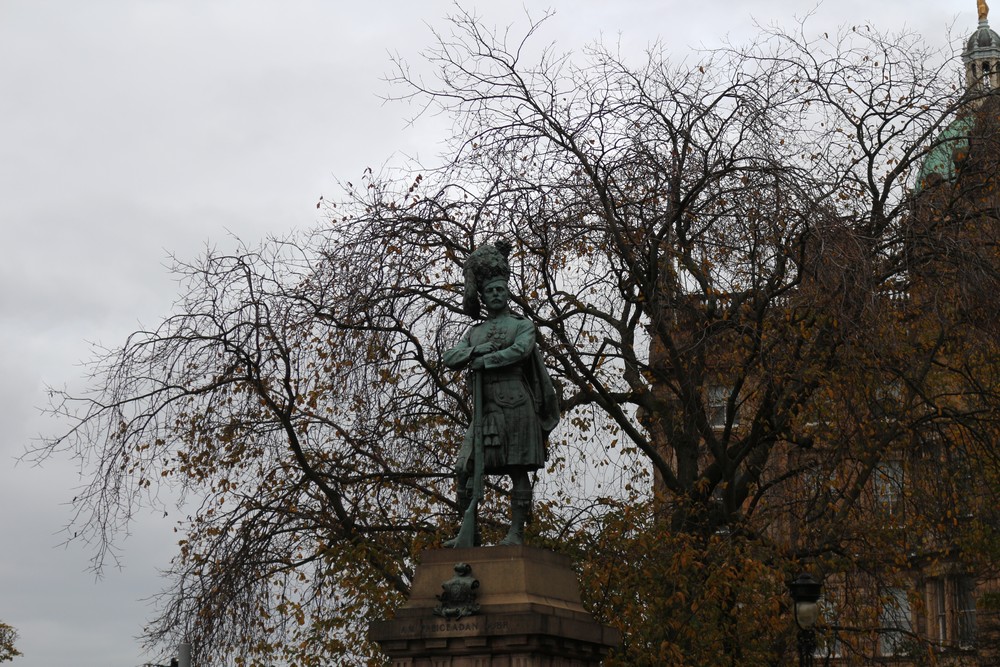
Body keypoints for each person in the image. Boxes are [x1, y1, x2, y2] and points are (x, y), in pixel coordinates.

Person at [442, 241, 558, 546]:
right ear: (483, 295)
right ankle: (470, 534)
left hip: (518, 404)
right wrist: (475, 351)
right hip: (487, 409)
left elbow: (520, 352)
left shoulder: (522, 325)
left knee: (517, 471)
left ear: (507, 292)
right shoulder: (475, 332)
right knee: (463, 468)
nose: (495, 294)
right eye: (490, 290)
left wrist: (484, 361)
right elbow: (450, 358)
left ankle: (516, 533)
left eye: (500, 289)